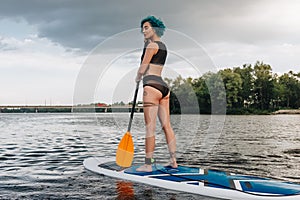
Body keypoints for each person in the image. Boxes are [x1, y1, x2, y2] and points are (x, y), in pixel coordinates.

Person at [135, 16, 178, 172]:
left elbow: (143, 67)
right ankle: (173, 160)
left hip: (151, 87)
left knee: (150, 128)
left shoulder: (151, 46)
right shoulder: (163, 46)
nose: (143, 30)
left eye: (146, 27)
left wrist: (138, 77)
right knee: (167, 126)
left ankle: (148, 164)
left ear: (155, 28)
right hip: (163, 87)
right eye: (143, 28)